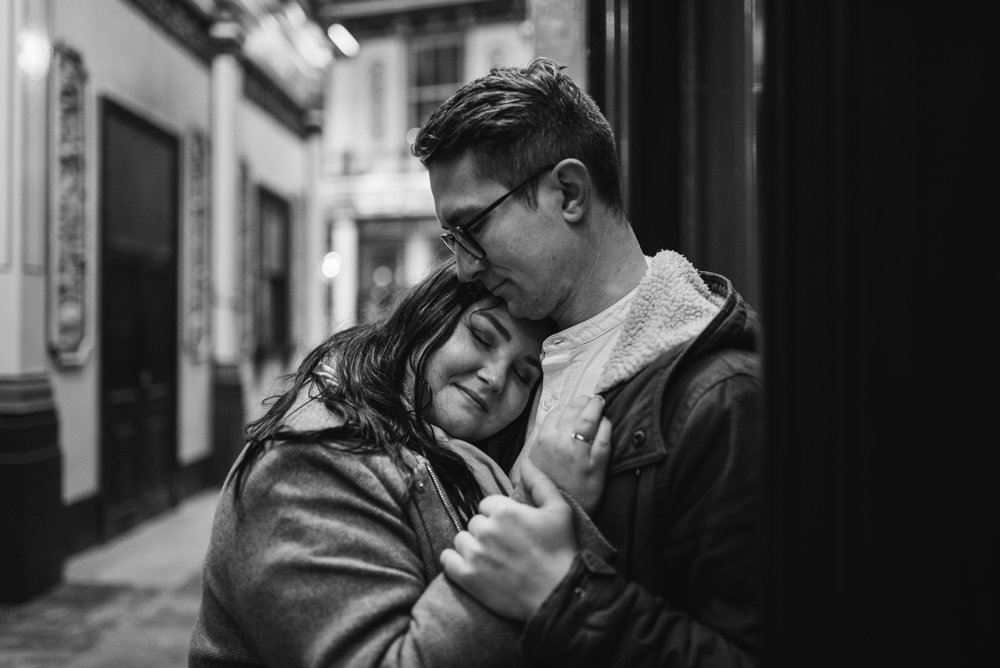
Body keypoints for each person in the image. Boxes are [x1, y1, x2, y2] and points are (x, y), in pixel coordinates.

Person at [412, 56, 764, 666]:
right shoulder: (522, 355)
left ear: (568, 193)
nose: (464, 265)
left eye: (472, 228)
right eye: (453, 240)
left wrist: (563, 595)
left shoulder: (719, 396)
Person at [188, 258, 613, 667]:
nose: (496, 377)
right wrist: (544, 506)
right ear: (427, 318)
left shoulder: (455, 456)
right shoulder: (312, 463)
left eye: (524, 375)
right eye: (483, 338)